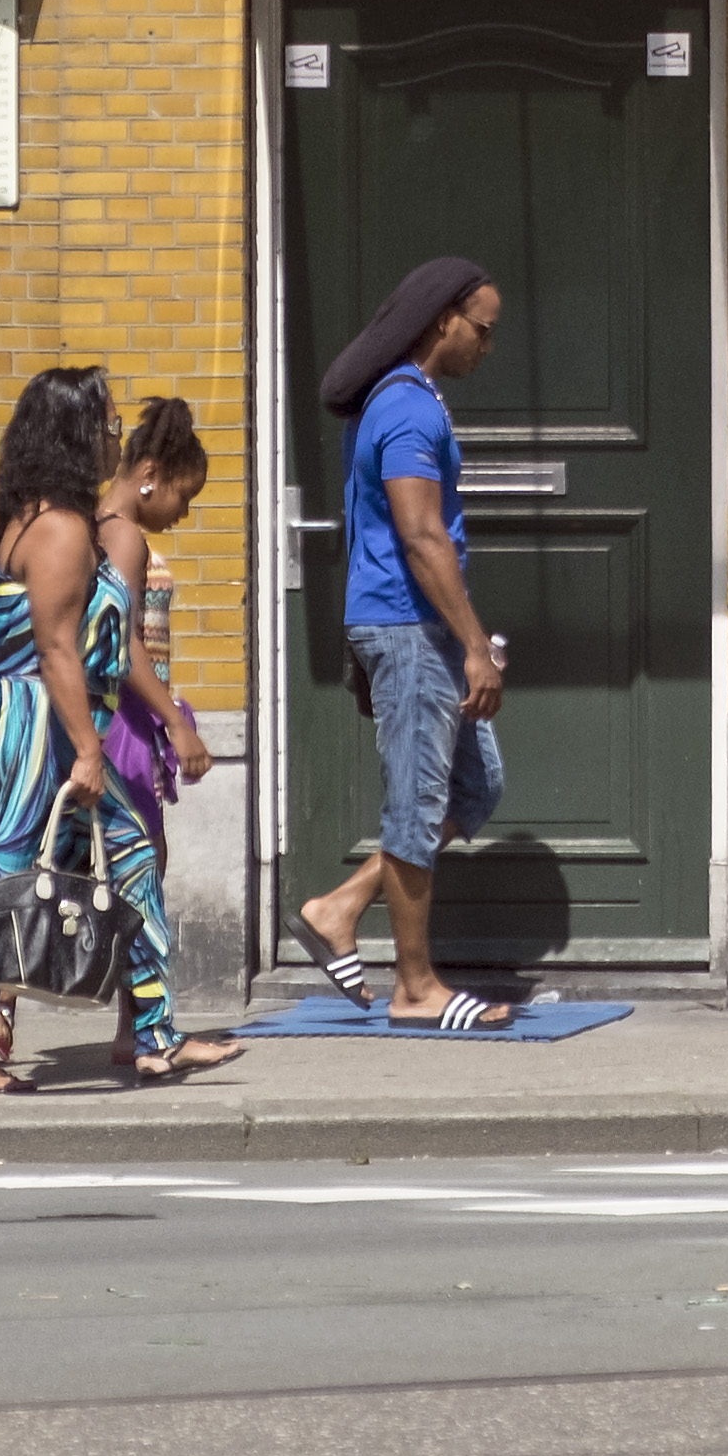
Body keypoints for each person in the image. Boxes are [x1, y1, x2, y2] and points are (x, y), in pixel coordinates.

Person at [0, 366, 209, 1092]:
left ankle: (154, 1035)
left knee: (134, 862)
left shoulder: (45, 516)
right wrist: (89, 747)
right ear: (73, 433)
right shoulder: (54, 527)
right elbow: (57, 648)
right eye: (107, 426)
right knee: (14, 871)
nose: (113, 438)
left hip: (56, 714)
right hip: (39, 718)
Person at [291, 257, 516, 1032]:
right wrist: (474, 647)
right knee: (417, 805)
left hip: (421, 626)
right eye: (483, 329)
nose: (489, 344)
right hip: (406, 624)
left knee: (474, 788)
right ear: (442, 319)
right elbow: (421, 535)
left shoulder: (413, 401)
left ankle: (340, 906)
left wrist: (470, 640)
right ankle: (415, 987)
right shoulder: (406, 411)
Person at [93, 396, 234, 1079]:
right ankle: (148, 1034)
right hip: (123, 722)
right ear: (150, 472)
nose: (184, 510)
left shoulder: (107, 526)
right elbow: (119, 647)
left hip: (123, 720)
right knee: (141, 872)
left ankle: (139, 1029)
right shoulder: (123, 534)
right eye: (183, 493)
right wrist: (174, 723)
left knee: (136, 875)